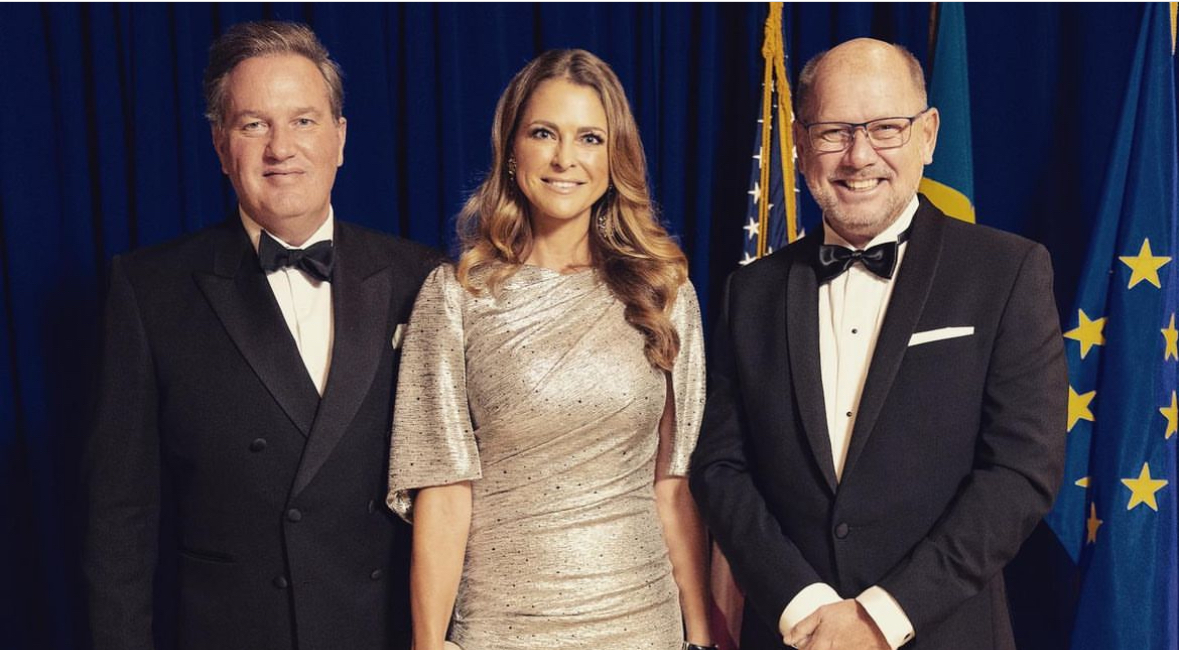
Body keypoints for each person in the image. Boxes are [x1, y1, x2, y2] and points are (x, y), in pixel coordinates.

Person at [689, 38, 1067, 650]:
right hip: (794, 633)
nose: (859, 156)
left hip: (946, 633)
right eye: (834, 131)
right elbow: (721, 467)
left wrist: (880, 617)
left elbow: (1022, 470)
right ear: (800, 141)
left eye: (886, 128)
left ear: (928, 135)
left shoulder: (1006, 272)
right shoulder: (749, 293)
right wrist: (806, 606)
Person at [83, 20, 439, 650]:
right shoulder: (149, 289)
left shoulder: (424, 278)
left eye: (303, 121)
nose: (281, 148)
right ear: (221, 147)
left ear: (340, 138)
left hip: (385, 632)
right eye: (254, 125)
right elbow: (120, 515)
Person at [386, 49, 713, 650]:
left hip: (642, 624)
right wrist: (427, 643)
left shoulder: (664, 294)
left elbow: (674, 484)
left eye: (590, 138)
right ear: (512, 151)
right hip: (500, 627)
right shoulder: (456, 296)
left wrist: (701, 633)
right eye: (544, 133)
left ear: (614, 158)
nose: (565, 158)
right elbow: (444, 493)